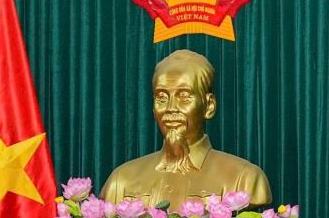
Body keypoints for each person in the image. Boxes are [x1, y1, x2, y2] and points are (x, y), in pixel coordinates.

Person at [100, 50, 272, 208]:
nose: (171, 108)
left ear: (209, 106)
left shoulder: (244, 179)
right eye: (162, 97)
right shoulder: (121, 180)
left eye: (184, 96)